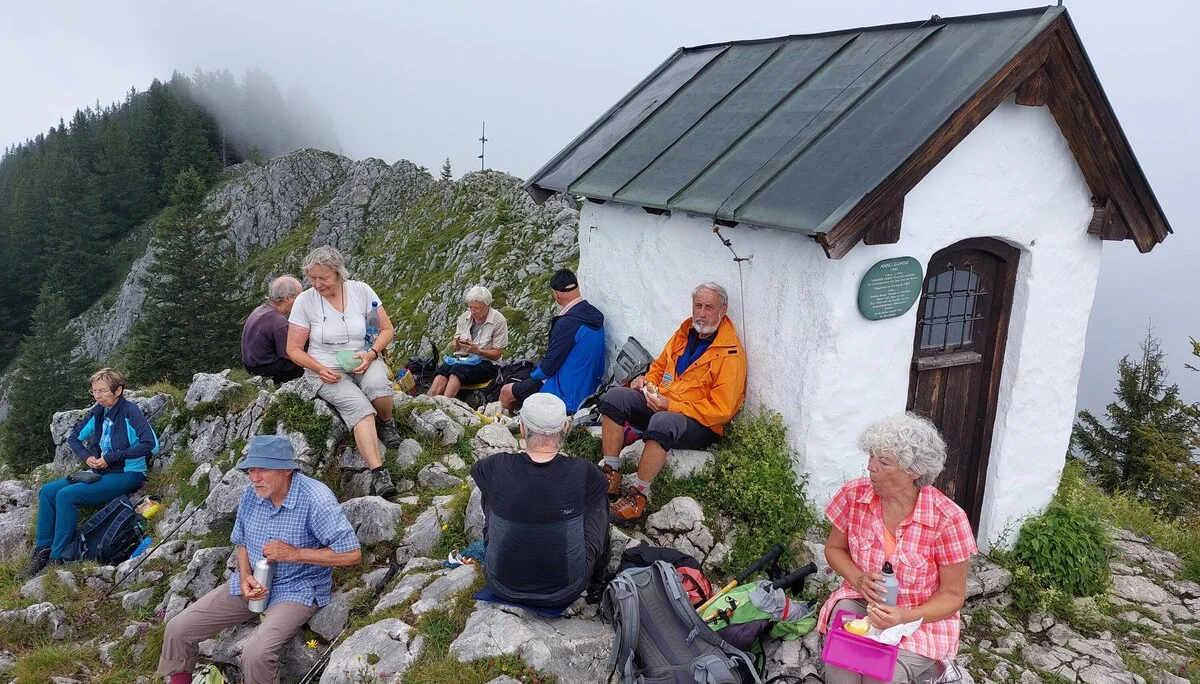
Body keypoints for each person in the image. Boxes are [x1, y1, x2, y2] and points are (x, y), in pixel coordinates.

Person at [156, 435, 361, 684]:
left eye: (263, 469)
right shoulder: (252, 494)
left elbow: (352, 554)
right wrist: (245, 577)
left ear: (287, 470)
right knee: (178, 629)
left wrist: (294, 554)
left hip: (297, 589)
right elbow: (241, 541)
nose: (255, 478)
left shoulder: (316, 499)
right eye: (251, 470)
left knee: (255, 654)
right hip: (254, 582)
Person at [819, 413, 977, 684]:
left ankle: (935, 669)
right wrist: (858, 578)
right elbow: (834, 548)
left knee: (880, 677)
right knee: (840, 671)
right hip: (862, 602)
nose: (871, 467)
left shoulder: (947, 519)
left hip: (919, 619)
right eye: (871, 457)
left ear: (913, 471)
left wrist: (905, 616)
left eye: (883, 462)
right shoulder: (854, 495)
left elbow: (952, 595)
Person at [598, 283, 746, 522]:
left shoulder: (730, 354)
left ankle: (637, 497)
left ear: (723, 310)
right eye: (698, 305)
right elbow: (659, 366)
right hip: (664, 404)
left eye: (709, 307)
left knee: (662, 422)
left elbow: (722, 411)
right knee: (615, 397)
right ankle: (610, 474)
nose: (702, 313)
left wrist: (671, 406)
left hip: (701, 424)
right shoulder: (685, 332)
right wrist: (647, 382)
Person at [18, 368, 158, 581]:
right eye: (94, 391)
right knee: (47, 491)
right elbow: (74, 437)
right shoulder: (98, 411)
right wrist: (87, 457)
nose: (97, 396)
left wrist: (112, 457)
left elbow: (150, 444)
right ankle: (42, 550)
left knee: (66, 496)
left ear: (118, 390)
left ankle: (58, 557)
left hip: (128, 473)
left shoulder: (131, 411)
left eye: (102, 391)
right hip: (100, 470)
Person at [471, 393, 609, 607]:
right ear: (565, 427)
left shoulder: (496, 465)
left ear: (522, 428)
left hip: (501, 585)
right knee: (598, 497)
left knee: (490, 489)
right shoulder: (583, 471)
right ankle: (598, 580)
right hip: (566, 591)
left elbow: (476, 471)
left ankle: (505, 550)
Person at [286, 245, 400, 499]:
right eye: (312, 278)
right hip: (326, 368)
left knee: (380, 389)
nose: (317, 284)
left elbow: (386, 329)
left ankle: (386, 423)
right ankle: (379, 474)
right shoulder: (305, 301)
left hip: (363, 357)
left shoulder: (361, 291)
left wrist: (372, 354)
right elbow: (293, 349)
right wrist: (319, 368)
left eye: (323, 278)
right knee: (360, 409)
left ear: (339, 273)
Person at [499, 268, 605, 414]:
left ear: (555, 294)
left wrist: (532, 374)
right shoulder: (593, 315)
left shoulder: (567, 323)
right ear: (577, 287)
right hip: (590, 388)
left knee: (506, 391)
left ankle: (510, 421)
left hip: (567, 394)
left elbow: (547, 368)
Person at [426, 285, 508, 399]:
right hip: (464, 358)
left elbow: (497, 354)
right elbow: (455, 341)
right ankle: (429, 400)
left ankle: (445, 402)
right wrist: (456, 344)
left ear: (487, 305)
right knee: (443, 369)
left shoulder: (498, 321)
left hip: (487, 363)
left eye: (477, 308)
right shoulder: (464, 317)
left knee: (457, 370)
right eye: (470, 307)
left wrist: (479, 351)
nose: (473, 311)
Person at [241, 275, 304, 383]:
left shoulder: (260, 309)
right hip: (264, 368)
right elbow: (290, 354)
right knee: (306, 367)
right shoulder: (278, 321)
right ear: (287, 298)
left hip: (249, 364)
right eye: (299, 296)